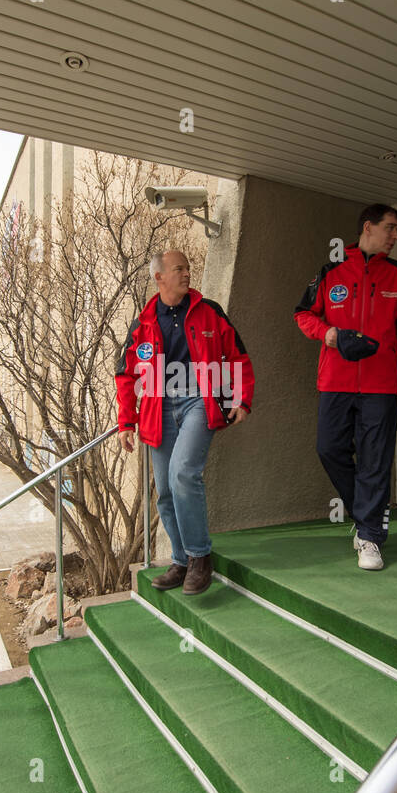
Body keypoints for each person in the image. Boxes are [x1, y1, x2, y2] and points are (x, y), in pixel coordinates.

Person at [294, 204, 397, 570]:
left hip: (381, 385)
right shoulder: (331, 269)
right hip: (335, 381)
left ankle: (369, 535)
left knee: (375, 459)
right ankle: (366, 511)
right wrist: (329, 333)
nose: (396, 235)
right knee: (329, 448)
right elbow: (304, 313)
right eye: (391, 228)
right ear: (368, 227)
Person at [116, 250, 254, 596]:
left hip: (198, 401)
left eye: (188, 268)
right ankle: (179, 560)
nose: (187, 273)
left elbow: (237, 355)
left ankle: (199, 558)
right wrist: (126, 422)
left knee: (183, 473)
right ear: (159, 277)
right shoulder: (143, 323)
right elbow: (126, 374)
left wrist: (241, 398)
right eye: (179, 269)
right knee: (164, 490)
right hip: (157, 407)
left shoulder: (209, 312)